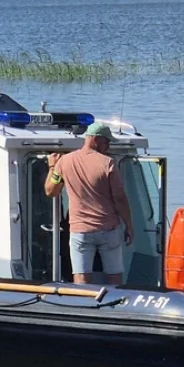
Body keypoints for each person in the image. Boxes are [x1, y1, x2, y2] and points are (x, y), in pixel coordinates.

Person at [45, 122, 134, 285]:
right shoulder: (108, 163)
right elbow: (120, 198)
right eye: (107, 141)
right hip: (108, 230)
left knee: (80, 275)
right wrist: (129, 225)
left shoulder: (64, 162)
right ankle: (114, 306)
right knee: (114, 275)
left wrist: (52, 166)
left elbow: (51, 191)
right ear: (95, 139)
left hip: (80, 232)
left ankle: (82, 305)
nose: (108, 146)